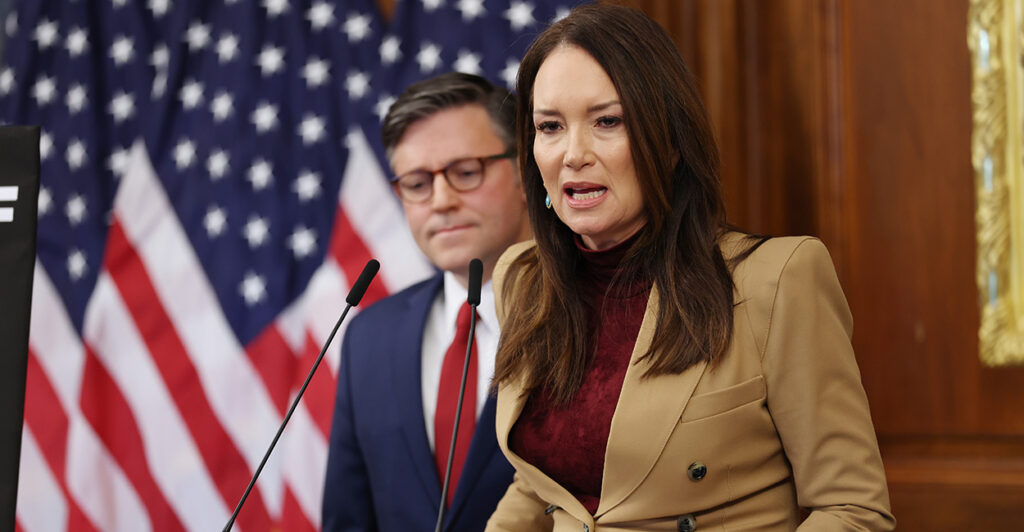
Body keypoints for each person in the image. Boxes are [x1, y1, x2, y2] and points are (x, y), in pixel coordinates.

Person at [485, 5, 896, 531]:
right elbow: (546, 486)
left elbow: (853, 511)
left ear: (670, 140)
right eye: (550, 127)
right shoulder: (521, 279)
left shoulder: (778, 278)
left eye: (608, 121)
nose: (573, 154)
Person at [322, 72, 531, 531]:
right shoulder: (370, 337)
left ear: (524, 172)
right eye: (417, 183)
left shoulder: (594, 314)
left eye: (466, 172)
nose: (441, 200)